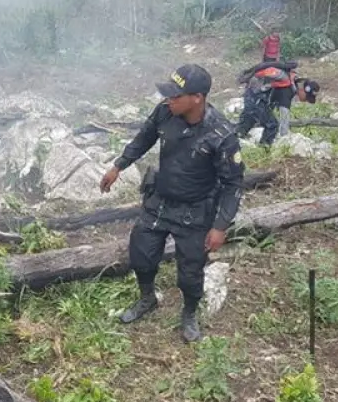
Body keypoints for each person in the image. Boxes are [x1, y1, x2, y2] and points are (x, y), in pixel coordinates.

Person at [99, 64, 244, 343]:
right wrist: (119, 166)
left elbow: (233, 184)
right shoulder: (165, 112)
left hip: (195, 209)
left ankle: (189, 313)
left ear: (197, 98)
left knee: (190, 271)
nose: (169, 100)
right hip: (161, 200)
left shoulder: (221, 135)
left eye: (176, 95)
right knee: (141, 253)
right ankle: (147, 298)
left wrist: (220, 226)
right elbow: (144, 138)